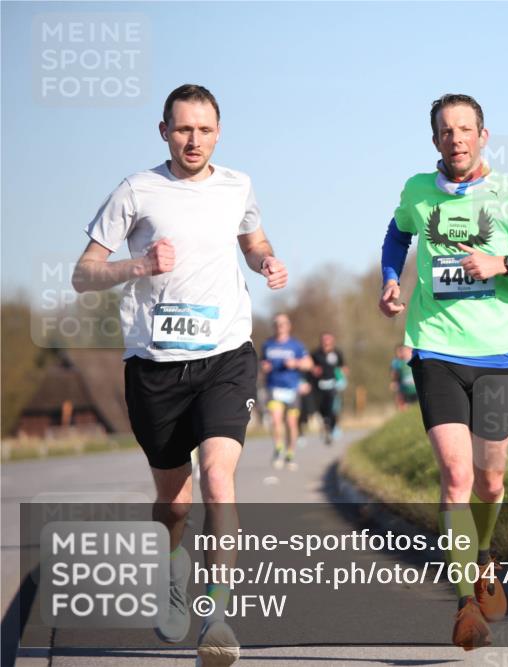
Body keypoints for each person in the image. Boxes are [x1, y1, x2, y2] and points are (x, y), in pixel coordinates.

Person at [72, 83, 287, 667]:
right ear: (164, 131)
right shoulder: (136, 191)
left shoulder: (237, 185)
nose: (194, 140)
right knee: (173, 503)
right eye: (184, 129)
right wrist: (139, 264)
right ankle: (172, 572)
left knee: (218, 479)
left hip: (226, 355)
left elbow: (253, 238)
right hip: (155, 367)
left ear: (219, 133)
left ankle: (216, 617)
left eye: (205, 129)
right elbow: (83, 274)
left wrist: (265, 260)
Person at [378, 94, 508, 650]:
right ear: (435, 139)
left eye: (466, 129)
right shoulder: (418, 191)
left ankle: (484, 555)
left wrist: (504, 263)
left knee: (491, 480)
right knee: (456, 474)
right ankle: (466, 602)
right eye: (446, 131)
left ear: (483, 136)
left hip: (495, 356)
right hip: (434, 349)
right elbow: (397, 234)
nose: (456, 139)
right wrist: (390, 279)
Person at [261, 313, 312, 470]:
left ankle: (290, 453)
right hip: (274, 387)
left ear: (289, 326)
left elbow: (309, 364)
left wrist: (295, 363)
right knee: (276, 420)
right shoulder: (267, 344)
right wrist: (264, 367)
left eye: (283, 323)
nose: (280, 326)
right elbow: (262, 363)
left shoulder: (296, 345)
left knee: (291, 423)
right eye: (277, 323)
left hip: (292, 389)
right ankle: (278, 449)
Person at [309, 332, 348, 444]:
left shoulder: (337, 353)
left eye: (328, 340)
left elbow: (343, 367)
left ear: (332, 341)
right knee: (321, 409)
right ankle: (326, 425)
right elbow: (309, 367)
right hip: (319, 386)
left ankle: (333, 427)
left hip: (333, 385)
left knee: (333, 408)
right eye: (324, 340)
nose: (326, 342)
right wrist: (313, 370)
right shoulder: (315, 354)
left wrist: (343, 376)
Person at [389, 345, 418, 410]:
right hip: (405, 390)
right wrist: (394, 381)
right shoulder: (397, 363)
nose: (403, 353)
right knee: (405, 406)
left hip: (416, 389)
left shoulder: (415, 359)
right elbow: (394, 374)